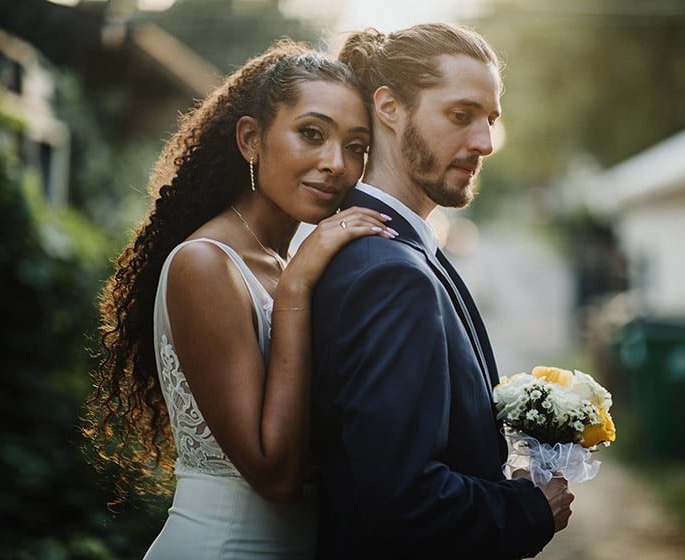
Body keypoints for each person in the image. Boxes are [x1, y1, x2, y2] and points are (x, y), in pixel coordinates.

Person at [83, 40, 398, 559]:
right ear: (251, 139)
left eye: (357, 146)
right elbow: (275, 476)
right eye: (311, 134)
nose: (335, 164)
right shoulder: (206, 264)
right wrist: (298, 287)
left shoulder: (287, 260)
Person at [309, 23, 575, 559]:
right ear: (389, 107)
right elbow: (401, 499)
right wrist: (527, 510)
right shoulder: (386, 272)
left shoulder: (402, 250)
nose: (483, 143)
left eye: (490, 121)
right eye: (460, 116)